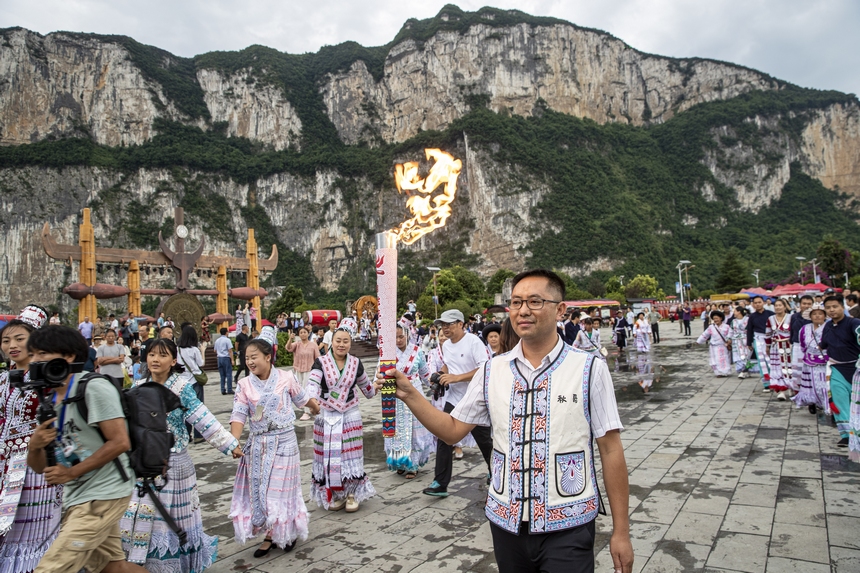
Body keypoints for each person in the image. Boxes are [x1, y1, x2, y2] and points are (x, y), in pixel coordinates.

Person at [376, 269, 633, 573]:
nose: (523, 310)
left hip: (569, 523)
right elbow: (452, 431)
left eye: (535, 301)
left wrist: (621, 532)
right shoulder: (492, 370)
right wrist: (409, 394)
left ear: (560, 309)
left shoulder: (589, 369)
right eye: (516, 302)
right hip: (506, 523)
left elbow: (611, 450)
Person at [26, 326, 145, 573]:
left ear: (68, 356)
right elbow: (42, 468)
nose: (34, 360)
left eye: (42, 353)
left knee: (52, 568)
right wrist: (35, 446)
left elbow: (120, 442)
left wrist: (71, 473)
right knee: (113, 569)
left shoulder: (92, 388)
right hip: (78, 497)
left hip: (104, 493)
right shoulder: (51, 400)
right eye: (33, 354)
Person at [120, 338, 240, 572]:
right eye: (152, 354)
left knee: (171, 519)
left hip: (173, 462)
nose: (155, 359)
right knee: (140, 512)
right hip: (143, 462)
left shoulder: (182, 387)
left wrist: (229, 444)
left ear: (173, 361)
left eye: (163, 355)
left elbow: (202, 418)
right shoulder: (139, 383)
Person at [230, 339, 320, 557]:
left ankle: (285, 533)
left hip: (285, 442)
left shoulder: (286, 377)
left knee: (280, 491)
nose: (250, 361)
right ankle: (270, 534)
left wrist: (315, 407)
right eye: (247, 358)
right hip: (258, 446)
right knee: (262, 492)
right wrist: (234, 441)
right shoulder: (244, 385)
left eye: (254, 357)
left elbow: (302, 398)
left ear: (268, 357)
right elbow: (239, 414)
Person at [0, 307, 63, 573]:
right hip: (4, 468)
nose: (12, 346)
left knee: (32, 535)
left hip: (35, 469)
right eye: (6, 340)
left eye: (19, 339)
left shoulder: (50, 380)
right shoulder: (3, 379)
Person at [306, 322, 377, 512]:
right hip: (326, 413)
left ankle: (352, 493)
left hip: (350, 413)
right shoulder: (321, 362)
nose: (341, 344)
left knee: (349, 452)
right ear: (331, 341)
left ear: (350, 343)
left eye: (346, 341)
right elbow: (312, 384)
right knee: (329, 455)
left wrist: (377, 386)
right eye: (338, 340)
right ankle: (335, 492)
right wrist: (311, 400)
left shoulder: (355, 363)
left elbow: (367, 389)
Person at [423, 309, 492, 497]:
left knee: (485, 441)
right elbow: (448, 365)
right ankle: (440, 483)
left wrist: (456, 378)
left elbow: (485, 368)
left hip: (474, 398)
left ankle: (497, 472)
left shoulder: (473, 342)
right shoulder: (446, 346)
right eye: (442, 325)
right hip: (453, 398)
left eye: (449, 325)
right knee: (444, 437)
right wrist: (440, 374)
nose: (445, 329)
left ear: (461, 324)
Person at [384, 323, 432, 479]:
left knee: (415, 430)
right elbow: (380, 373)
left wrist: (435, 384)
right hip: (395, 394)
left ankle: (413, 464)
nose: (398, 340)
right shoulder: (387, 354)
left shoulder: (417, 352)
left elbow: (425, 374)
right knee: (397, 430)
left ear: (407, 335)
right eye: (395, 337)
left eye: (401, 337)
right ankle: (399, 461)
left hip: (414, 391)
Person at [819, 295, 860, 450]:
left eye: (835, 306)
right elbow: (823, 344)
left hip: (856, 369)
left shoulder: (854, 323)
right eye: (828, 307)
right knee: (839, 400)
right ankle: (846, 435)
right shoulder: (828, 326)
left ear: (843, 307)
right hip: (837, 369)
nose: (831, 310)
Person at [791, 304, 829, 414]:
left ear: (825, 316)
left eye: (820, 314)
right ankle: (812, 402)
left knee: (823, 384)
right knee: (811, 383)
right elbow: (802, 345)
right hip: (809, 360)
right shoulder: (804, 329)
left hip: (825, 361)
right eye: (814, 314)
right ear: (810, 316)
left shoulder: (829, 327)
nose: (817, 316)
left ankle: (825, 404)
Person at [176, 325, 206, 444]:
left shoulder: (177, 350)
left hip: (182, 382)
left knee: (186, 409)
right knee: (197, 408)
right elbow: (201, 363)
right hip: (194, 381)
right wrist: (203, 350)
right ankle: (198, 435)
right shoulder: (194, 349)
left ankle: (187, 434)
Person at [286, 327, 320, 421]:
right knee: (299, 391)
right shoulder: (297, 344)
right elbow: (288, 348)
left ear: (308, 333)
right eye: (301, 332)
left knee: (307, 390)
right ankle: (310, 407)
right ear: (299, 334)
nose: (303, 334)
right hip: (298, 370)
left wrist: (318, 370)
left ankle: (306, 412)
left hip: (309, 370)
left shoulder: (313, 345)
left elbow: (318, 357)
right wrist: (290, 339)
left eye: (305, 332)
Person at [765, 299, 793, 401]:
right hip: (775, 346)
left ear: (785, 307)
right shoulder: (770, 318)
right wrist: (767, 346)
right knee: (778, 368)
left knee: (789, 367)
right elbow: (768, 333)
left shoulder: (791, 317)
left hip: (789, 346)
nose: (777, 307)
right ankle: (781, 391)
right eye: (776, 305)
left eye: (780, 305)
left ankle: (791, 387)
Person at [746, 296, 775, 392]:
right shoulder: (752, 316)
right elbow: (749, 330)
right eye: (755, 303)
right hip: (758, 340)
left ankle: (775, 381)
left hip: (770, 339)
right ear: (753, 304)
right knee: (762, 361)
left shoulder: (771, 314)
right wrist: (749, 342)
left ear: (763, 302)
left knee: (773, 360)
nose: (757, 304)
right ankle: (766, 383)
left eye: (759, 302)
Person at [789, 295, 814, 392]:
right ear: (800, 304)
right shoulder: (794, 316)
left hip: (811, 347)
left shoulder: (815, 316)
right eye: (804, 303)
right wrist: (791, 341)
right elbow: (791, 331)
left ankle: (811, 390)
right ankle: (797, 390)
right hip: (797, 345)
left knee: (810, 369)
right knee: (797, 369)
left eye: (809, 304)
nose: (806, 306)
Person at [696, 311, 732, 376]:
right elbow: (705, 334)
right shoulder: (711, 327)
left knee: (724, 359)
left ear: (721, 318)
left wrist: (729, 340)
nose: (715, 320)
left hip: (723, 346)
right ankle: (718, 373)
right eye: (714, 319)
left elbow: (730, 334)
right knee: (715, 360)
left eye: (717, 318)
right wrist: (699, 341)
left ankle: (725, 372)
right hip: (714, 347)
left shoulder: (727, 327)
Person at [729, 307, 752, 378]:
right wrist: (729, 338)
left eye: (735, 311)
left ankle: (745, 370)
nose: (734, 313)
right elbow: (731, 331)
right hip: (736, 341)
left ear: (739, 312)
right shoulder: (733, 321)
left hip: (746, 339)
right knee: (739, 356)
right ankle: (743, 371)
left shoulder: (748, 320)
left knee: (747, 355)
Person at [214, 327, 234, 395]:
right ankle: (229, 389)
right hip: (226, 357)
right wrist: (232, 360)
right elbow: (230, 350)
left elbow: (215, 350)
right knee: (228, 374)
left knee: (222, 375)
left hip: (219, 358)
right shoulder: (227, 340)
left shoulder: (217, 340)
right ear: (226, 332)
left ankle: (222, 389)